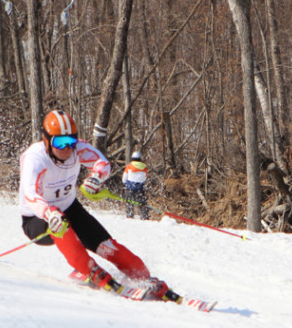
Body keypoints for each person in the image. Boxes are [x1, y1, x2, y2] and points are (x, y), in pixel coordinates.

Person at [18, 109, 178, 301]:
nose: (67, 148)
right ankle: (91, 270)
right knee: (61, 226)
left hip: (69, 208)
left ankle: (145, 278)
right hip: (37, 220)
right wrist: (49, 212)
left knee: (107, 246)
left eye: (71, 141)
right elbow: (30, 194)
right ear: (46, 140)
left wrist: (96, 178)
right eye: (60, 142)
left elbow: (102, 163)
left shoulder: (77, 150)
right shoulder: (35, 158)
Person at [122, 151, 150, 220]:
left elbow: (124, 179)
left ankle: (130, 215)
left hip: (130, 188)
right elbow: (145, 178)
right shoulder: (144, 167)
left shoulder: (129, 166)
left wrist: (126, 183)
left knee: (129, 203)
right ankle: (144, 216)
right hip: (140, 188)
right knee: (142, 203)